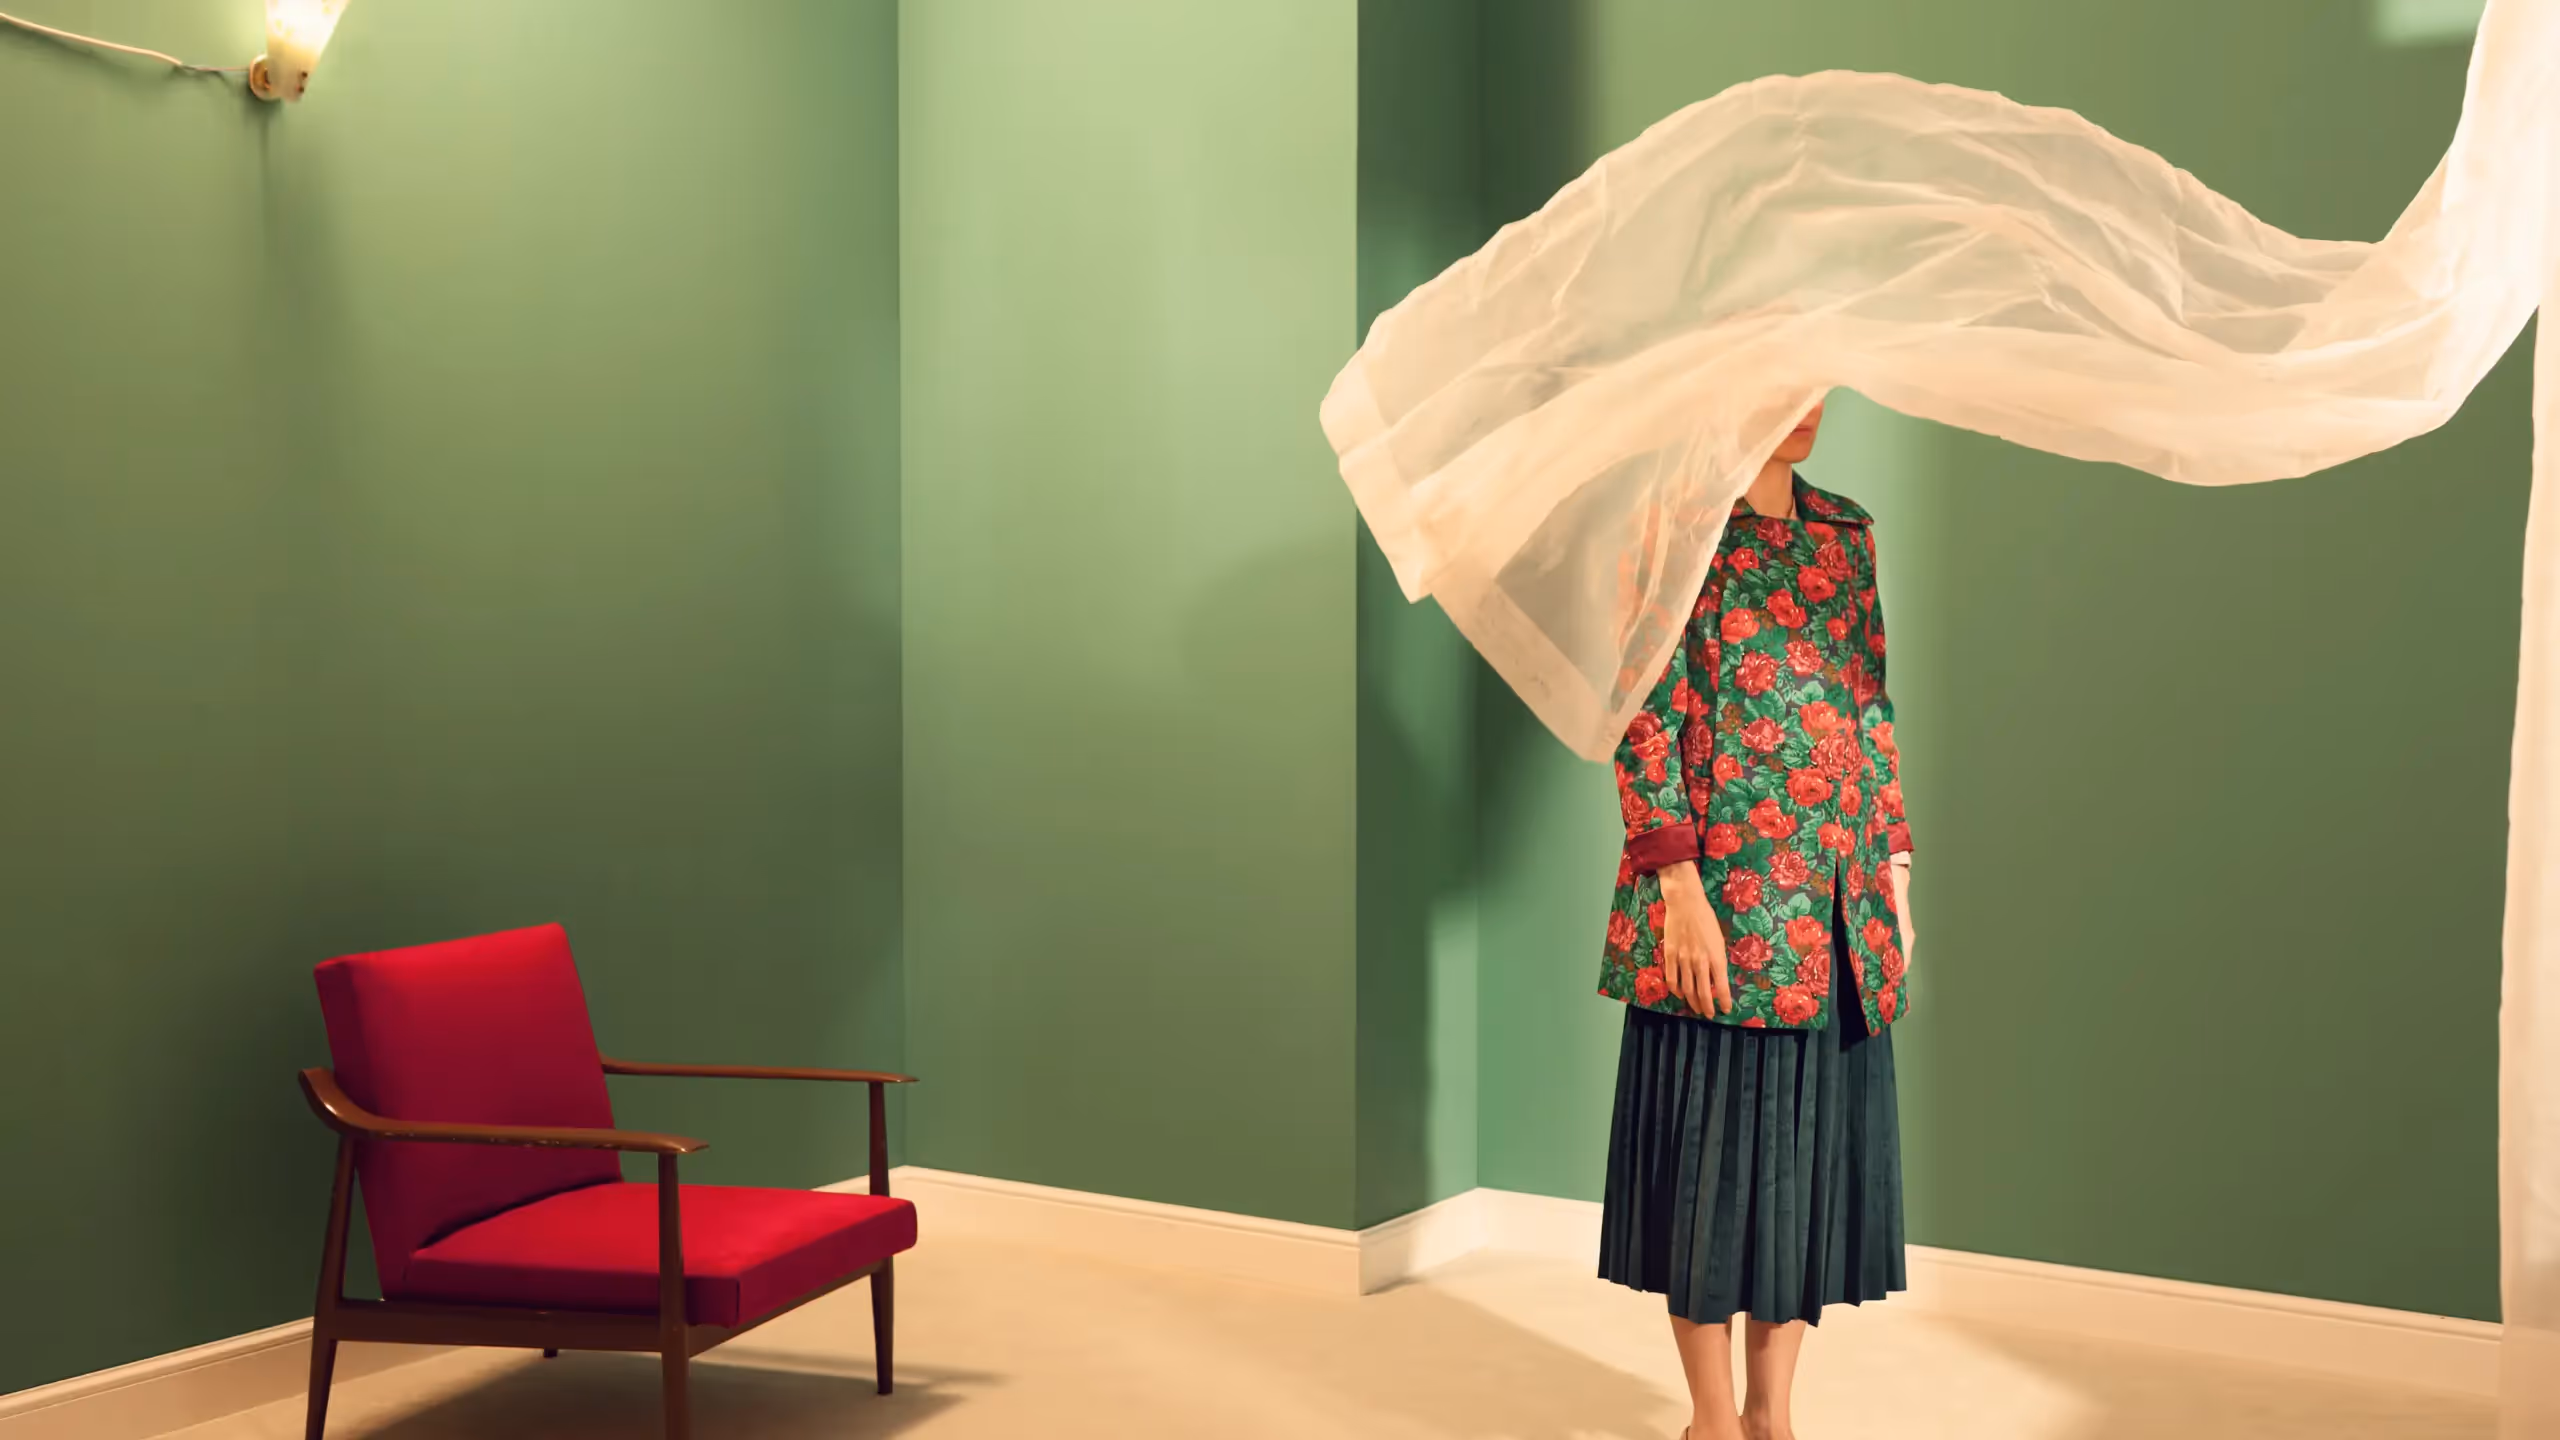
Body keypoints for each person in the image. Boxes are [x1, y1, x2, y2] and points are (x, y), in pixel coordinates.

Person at [1595, 399, 1915, 1440]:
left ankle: (1772, 1418)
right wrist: (1674, 888)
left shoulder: (1847, 532)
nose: (1803, 403)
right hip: (1721, 902)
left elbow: (1871, 707)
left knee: (1804, 1166)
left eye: (1815, 375)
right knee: (1708, 1164)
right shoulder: (1670, 529)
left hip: (1836, 900)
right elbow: (1643, 713)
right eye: (1775, 376)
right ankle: (1710, 1420)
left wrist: (1896, 876)